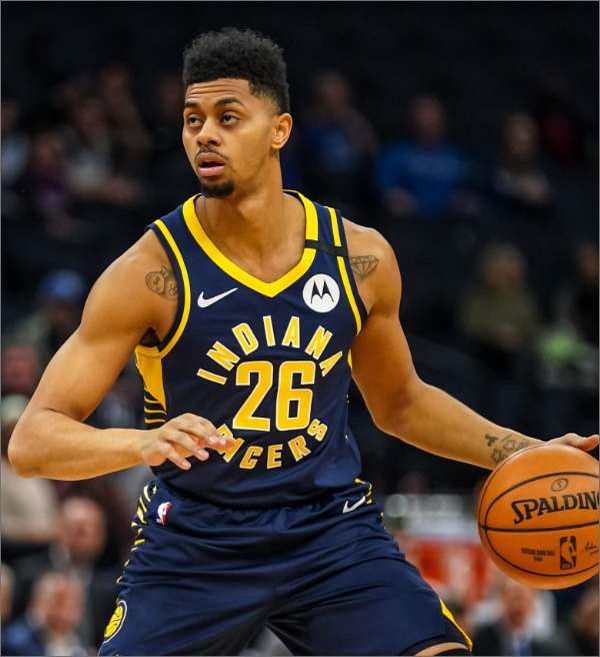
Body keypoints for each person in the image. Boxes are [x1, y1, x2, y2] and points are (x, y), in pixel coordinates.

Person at [9, 28, 598, 656]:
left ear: (280, 129)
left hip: (329, 532)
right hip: (197, 542)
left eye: (228, 117)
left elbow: (401, 403)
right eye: (191, 119)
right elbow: (31, 440)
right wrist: (141, 442)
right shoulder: (150, 273)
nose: (204, 134)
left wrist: (524, 452)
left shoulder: (359, 257)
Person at [1, 571, 89, 657]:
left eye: (73, 605)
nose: (65, 614)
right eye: (57, 603)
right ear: (37, 603)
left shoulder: (79, 641)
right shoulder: (14, 643)